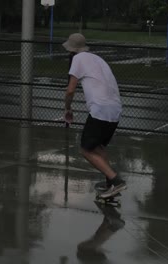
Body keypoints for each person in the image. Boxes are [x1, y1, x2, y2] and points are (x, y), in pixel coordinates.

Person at [62, 33, 126, 198]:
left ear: (71, 50)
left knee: (86, 150)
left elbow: (70, 90)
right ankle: (110, 184)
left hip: (101, 109)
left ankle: (116, 181)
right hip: (115, 109)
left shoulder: (78, 59)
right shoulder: (97, 59)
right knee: (98, 147)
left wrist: (67, 109)